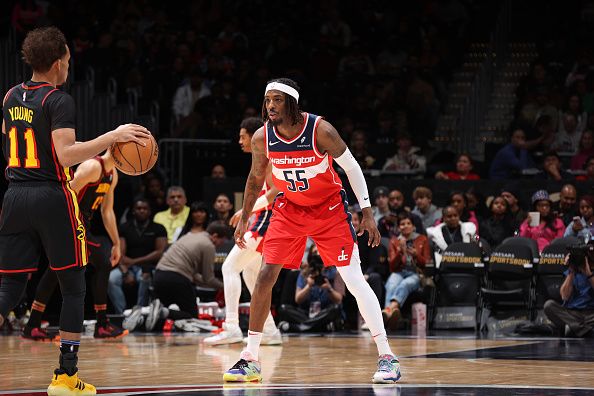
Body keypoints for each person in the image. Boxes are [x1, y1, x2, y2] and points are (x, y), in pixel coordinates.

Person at [0, 27, 148, 396]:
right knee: (72, 286)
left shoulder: (10, 96)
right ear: (56, 64)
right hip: (51, 195)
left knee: (10, 287)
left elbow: (7, 137)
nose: (68, 67)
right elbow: (66, 155)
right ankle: (66, 377)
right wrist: (112, 136)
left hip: (15, 194)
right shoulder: (58, 99)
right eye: (67, 61)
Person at [224, 78, 400, 384]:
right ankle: (251, 357)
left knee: (354, 279)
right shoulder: (262, 137)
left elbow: (353, 167)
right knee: (265, 274)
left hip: (329, 210)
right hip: (289, 209)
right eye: (267, 101)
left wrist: (368, 213)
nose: (270, 107)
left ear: (292, 103)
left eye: (277, 100)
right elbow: (255, 179)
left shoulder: (321, 130)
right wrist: (245, 218)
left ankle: (387, 356)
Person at [23, 150, 127, 340]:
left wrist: (116, 243)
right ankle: (102, 324)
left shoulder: (112, 174)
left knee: (54, 271)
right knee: (102, 263)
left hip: (81, 225)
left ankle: (32, 325)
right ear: (115, 148)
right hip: (69, 223)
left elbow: (107, 211)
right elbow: (65, 195)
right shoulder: (92, 166)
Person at [204, 117, 282, 346]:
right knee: (250, 274)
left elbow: (274, 193)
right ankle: (270, 330)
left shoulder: (270, 158)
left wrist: (245, 212)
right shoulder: (259, 157)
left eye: (242, 136)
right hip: (261, 217)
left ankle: (231, 327)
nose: (239, 141)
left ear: (254, 135)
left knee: (229, 267)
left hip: (266, 219)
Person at [124, 222, 227, 333]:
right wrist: (226, 286)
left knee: (156, 323)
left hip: (159, 276)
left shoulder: (189, 235)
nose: (220, 245)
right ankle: (163, 311)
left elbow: (195, 276)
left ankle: (142, 317)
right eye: (222, 241)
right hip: (177, 279)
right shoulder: (208, 245)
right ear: (215, 236)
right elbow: (208, 279)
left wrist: (207, 282)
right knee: (192, 317)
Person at [108, 198, 168, 313]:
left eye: (145, 209)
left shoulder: (158, 228)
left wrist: (135, 261)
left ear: (150, 211)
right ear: (133, 211)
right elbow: (120, 253)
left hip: (148, 267)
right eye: (139, 208)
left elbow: (159, 252)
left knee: (145, 277)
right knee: (111, 279)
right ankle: (122, 313)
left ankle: (139, 312)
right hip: (128, 267)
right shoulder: (125, 227)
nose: (142, 211)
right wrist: (125, 272)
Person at [383, 212, 430, 330]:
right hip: (399, 271)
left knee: (405, 284)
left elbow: (427, 264)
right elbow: (392, 267)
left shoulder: (422, 239)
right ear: (399, 227)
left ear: (413, 226)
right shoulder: (394, 241)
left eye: (408, 223)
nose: (405, 226)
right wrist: (400, 251)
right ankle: (391, 314)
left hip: (415, 273)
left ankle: (389, 310)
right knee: (391, 283)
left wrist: (416, 255)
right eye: (402, 224)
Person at [543, 251, 594, 337]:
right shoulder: (572, 272)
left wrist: (589, 274)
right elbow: (564, 296)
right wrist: (571, 271)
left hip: (591, 314)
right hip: (571, 313)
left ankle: (573, 328)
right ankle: (583, 330)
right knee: (549, 305)